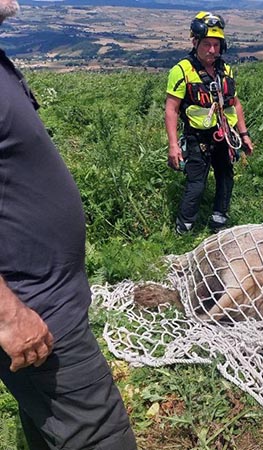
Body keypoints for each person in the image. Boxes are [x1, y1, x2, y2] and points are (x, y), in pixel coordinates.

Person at [0, 2, 138, 449]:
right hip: (33, 307)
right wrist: (7, 315)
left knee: (50, 429)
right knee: (101, 436)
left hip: (41, 301)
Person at [165, 11, 254, 234]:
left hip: (225, 134)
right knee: (196, 183)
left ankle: (219, 220)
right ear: (195, 42)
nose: (212, 50)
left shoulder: (225, 70)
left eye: (216, 44)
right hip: (197, 137)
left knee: (225, 176)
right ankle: (184, 227)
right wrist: (173, 145)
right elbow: (171, 109)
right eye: (207, 44)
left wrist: (244, 134)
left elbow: (235, 103)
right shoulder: (182, 71)